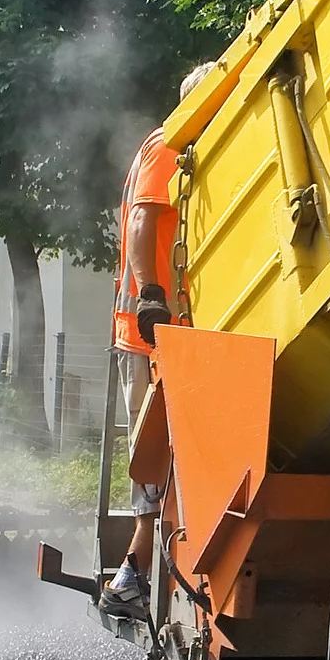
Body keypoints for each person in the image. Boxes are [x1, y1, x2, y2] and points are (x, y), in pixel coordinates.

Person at [102, 63, 213, 620]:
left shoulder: (174, 146)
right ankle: (134, 572)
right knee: (153, 452)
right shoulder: (173, 143)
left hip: (163, 331)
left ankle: (139, 572)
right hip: (148, 333)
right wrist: (151, 295)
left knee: (166, 455)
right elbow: (146, 219)